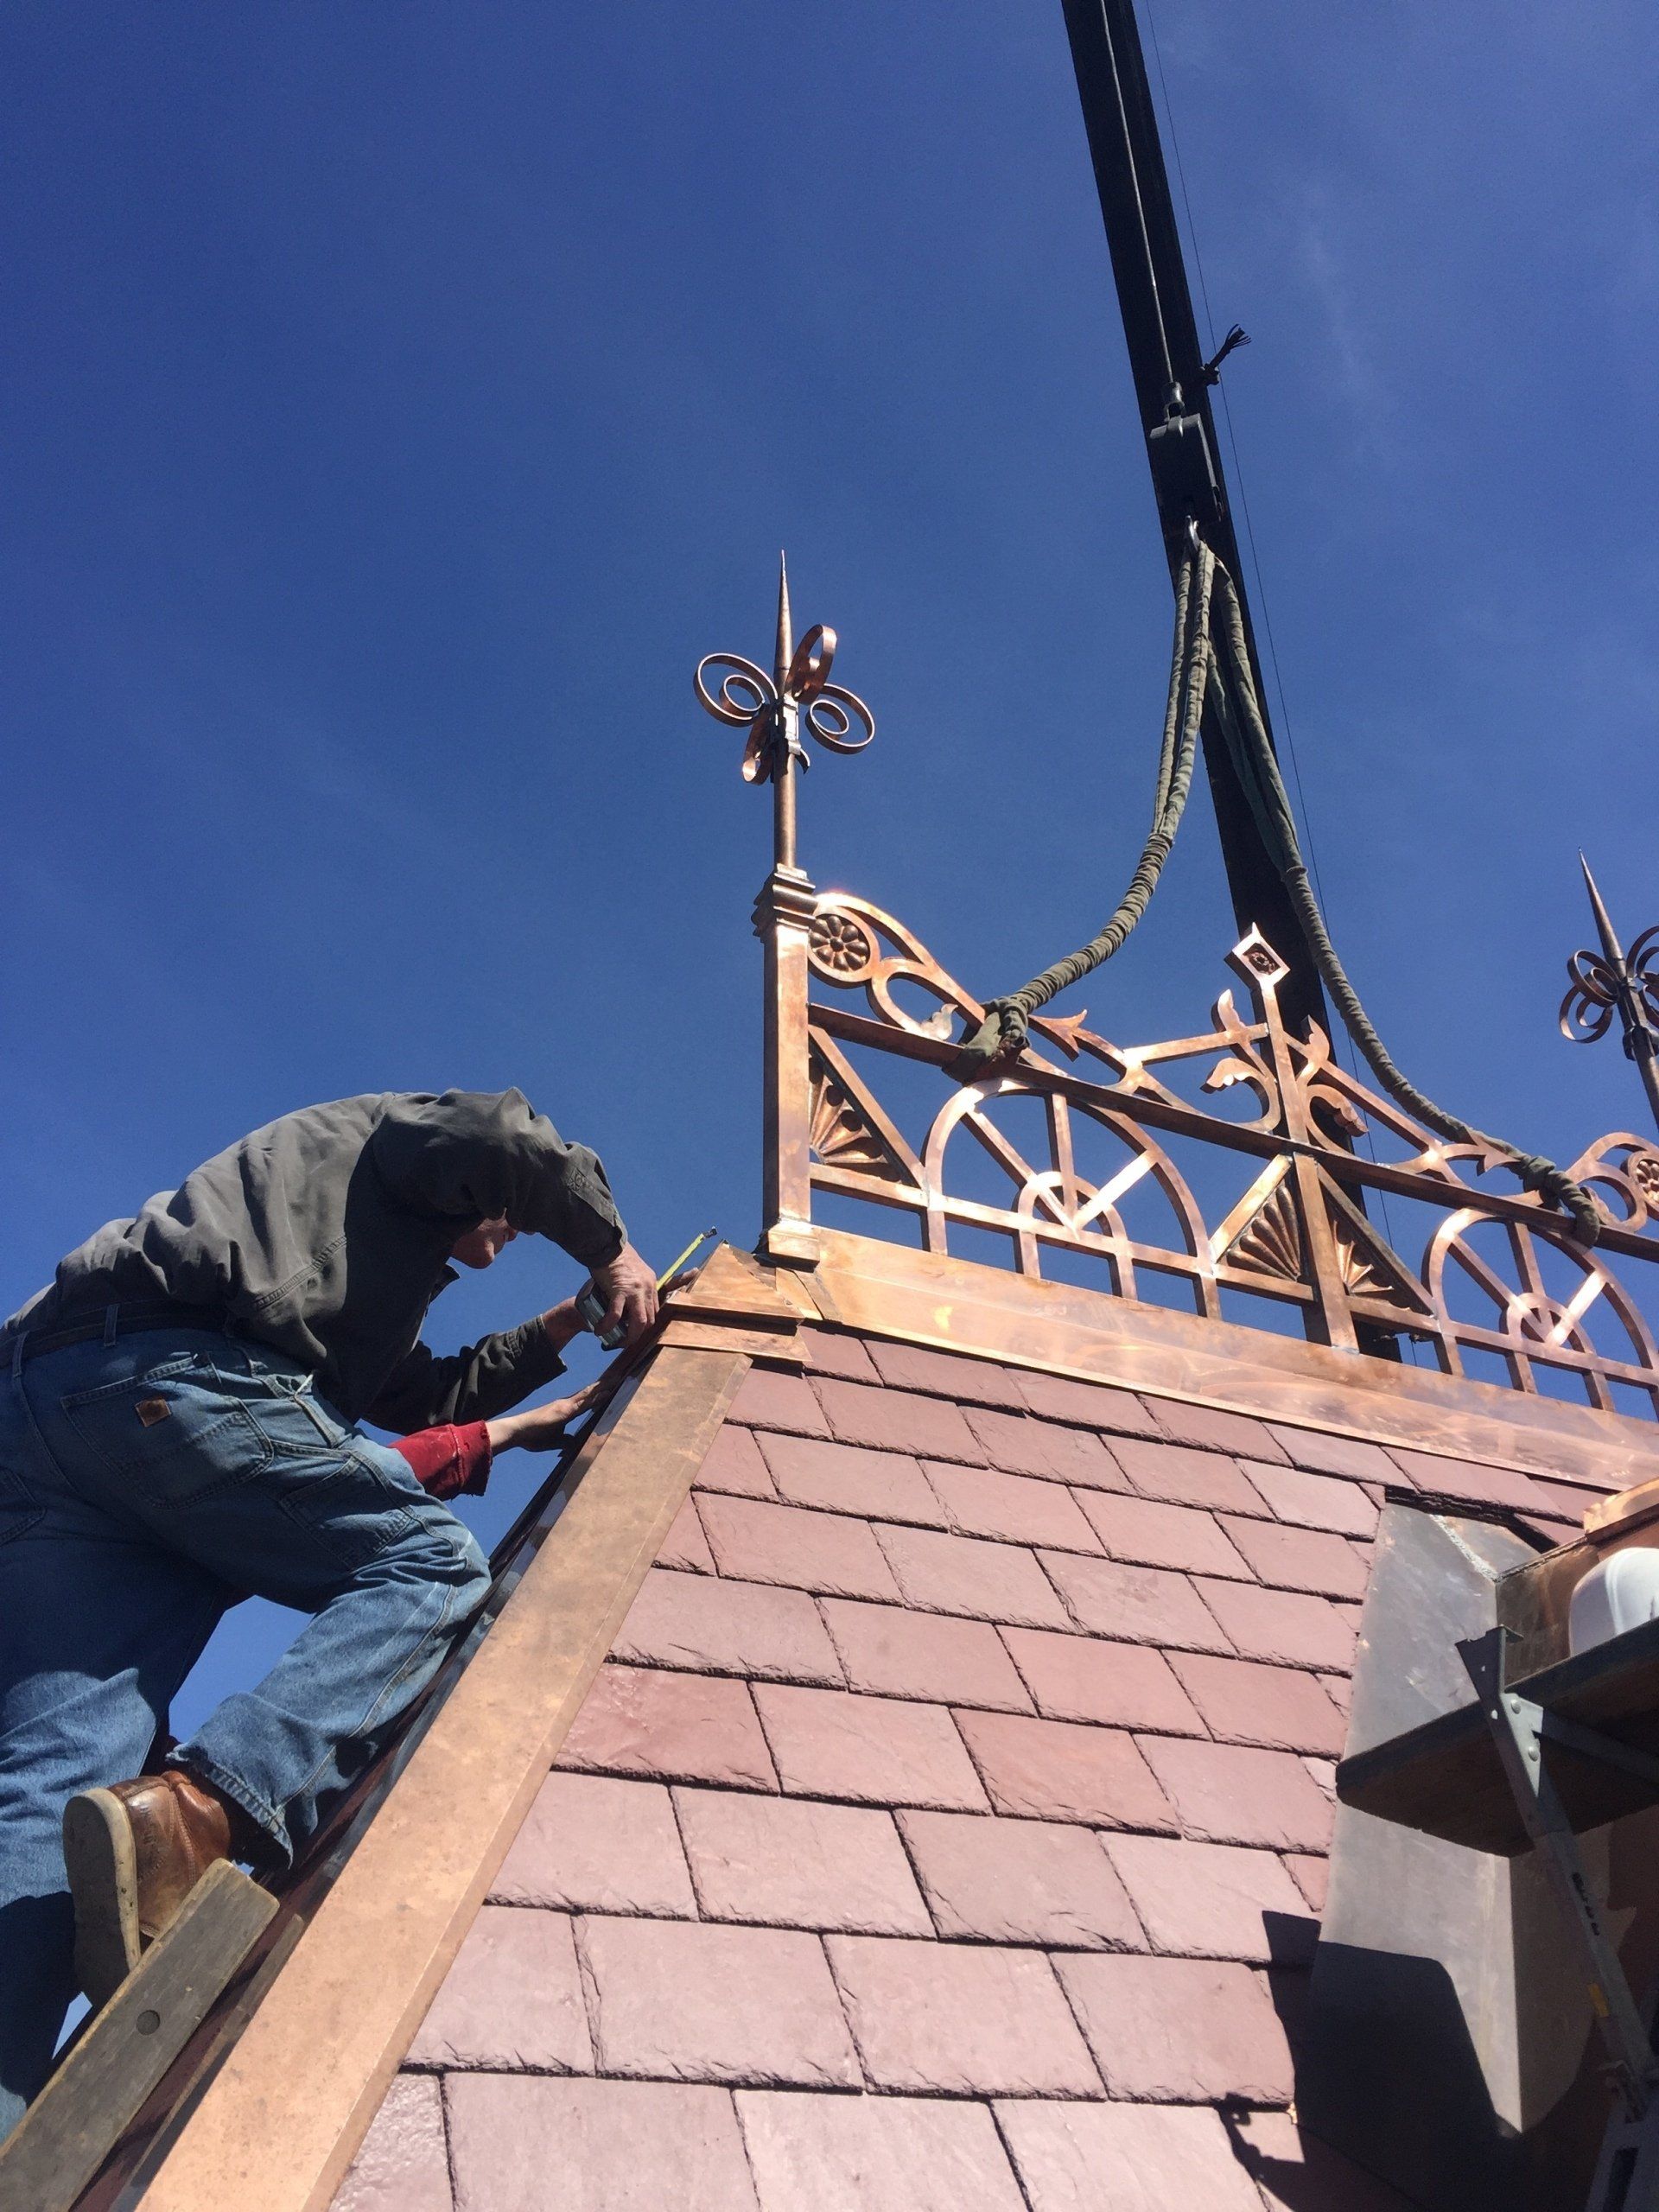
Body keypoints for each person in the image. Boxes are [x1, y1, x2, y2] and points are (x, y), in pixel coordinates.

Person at [0, 1087, 657, 2140]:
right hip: (172, 1373)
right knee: (433, 1563)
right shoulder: (402, 1142)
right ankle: (204, 1814)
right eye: (506, 1222)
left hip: (54, 1422)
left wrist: (568, 1332)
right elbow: (505, 1141)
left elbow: (425, 1398)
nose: (495, 1249)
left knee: (47, 1800)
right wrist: (612, 1255)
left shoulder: (336, 1266)